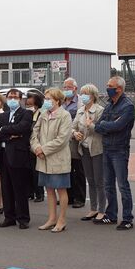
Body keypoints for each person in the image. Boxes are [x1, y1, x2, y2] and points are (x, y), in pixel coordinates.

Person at [94, 76, 135, 230]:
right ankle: (111, 215)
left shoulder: (127, 106)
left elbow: (118, 126)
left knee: (122, 185)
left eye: (110, 85)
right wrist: (107, 124)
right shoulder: (110, 104)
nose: (107, 88)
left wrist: (106, 125)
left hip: (119, 149)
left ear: (119, 88)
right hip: (107, 148)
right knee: (108, 184)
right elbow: (98, 126)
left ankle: (127, 218)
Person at [31, 87, 72, 231]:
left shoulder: (65, 115)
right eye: (45, 99)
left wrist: (43, 149)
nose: (46, 102)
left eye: (49, 99)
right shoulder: (43, 114)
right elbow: (34, 133)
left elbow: (62, 139)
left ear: (57, 100)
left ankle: (62, 220)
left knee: (61, 190)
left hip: (58, 159)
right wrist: (36, 148)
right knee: (48, 190)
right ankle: (51, 218)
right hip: (42, 159)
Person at [0, 88, 33, 229]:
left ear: (21, 99)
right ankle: (9, 217)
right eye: (10, 97)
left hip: (18, 156)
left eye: (15, 97)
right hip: (3, 155)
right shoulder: (2, 116)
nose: (12, 99)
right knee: (6, 188)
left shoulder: (26, 113)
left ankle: (23, 218)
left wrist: (4, 130)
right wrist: (9, 134)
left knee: (19, 188)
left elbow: (23, 128)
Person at [72, 84, 106, 222]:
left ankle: (102, 210)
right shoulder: (80, 110)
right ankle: (93, 208)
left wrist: (90, 125)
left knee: (99, 181)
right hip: (83, 148)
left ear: (93, 96)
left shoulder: (100, 110)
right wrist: (75, 134)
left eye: (86, 93)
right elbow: (72, 126)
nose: (84, 96)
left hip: (96, 149)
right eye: (82, 93)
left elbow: (100, 129)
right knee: (90, 180)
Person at [63, 77, 86, 208]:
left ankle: (80, 197)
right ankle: (68, 196)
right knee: (67, 169)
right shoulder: (61, 102)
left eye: (69, 87)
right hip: (63, 139)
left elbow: (80, 120)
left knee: (78, 170)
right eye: (65, 87)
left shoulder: (80, 102)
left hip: (75, 139)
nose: (66, 90)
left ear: (75, 89)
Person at [25, 90, 45, 203]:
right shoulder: (26, 114)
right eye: (27, 104)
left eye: (31, 105)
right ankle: (29, 192)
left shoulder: (41, 114)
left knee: (36, 171)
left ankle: (39, 193)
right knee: (28, 171)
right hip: (27, 145)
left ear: (37, 104)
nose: (28, 106)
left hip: (37, 145)